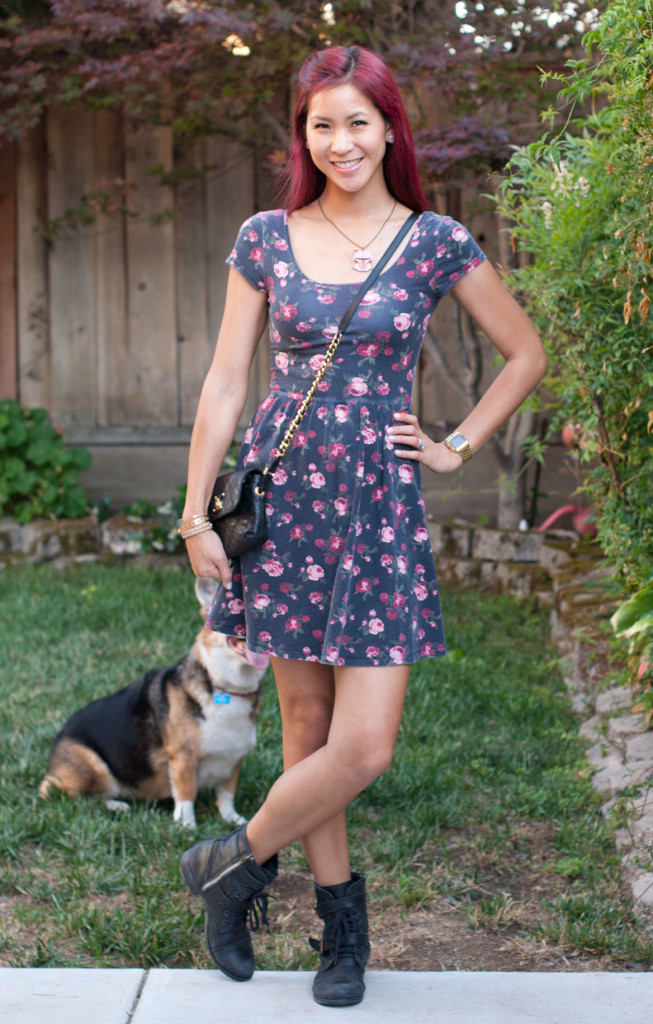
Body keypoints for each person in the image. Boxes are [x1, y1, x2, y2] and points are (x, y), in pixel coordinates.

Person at [177, 45, 546, 1007]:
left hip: (377, 507)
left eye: (357, 121)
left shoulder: (432, 241)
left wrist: (455, 446)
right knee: (305, 726)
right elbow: (224, 382)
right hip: (283, 502)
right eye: (320, 124)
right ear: (302, 136)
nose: (340, 141)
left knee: (365, 744)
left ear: (389, 128)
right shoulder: (266, 236)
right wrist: (194, 512)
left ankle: (232, 861)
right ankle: (340, 937)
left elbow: (523, 353)